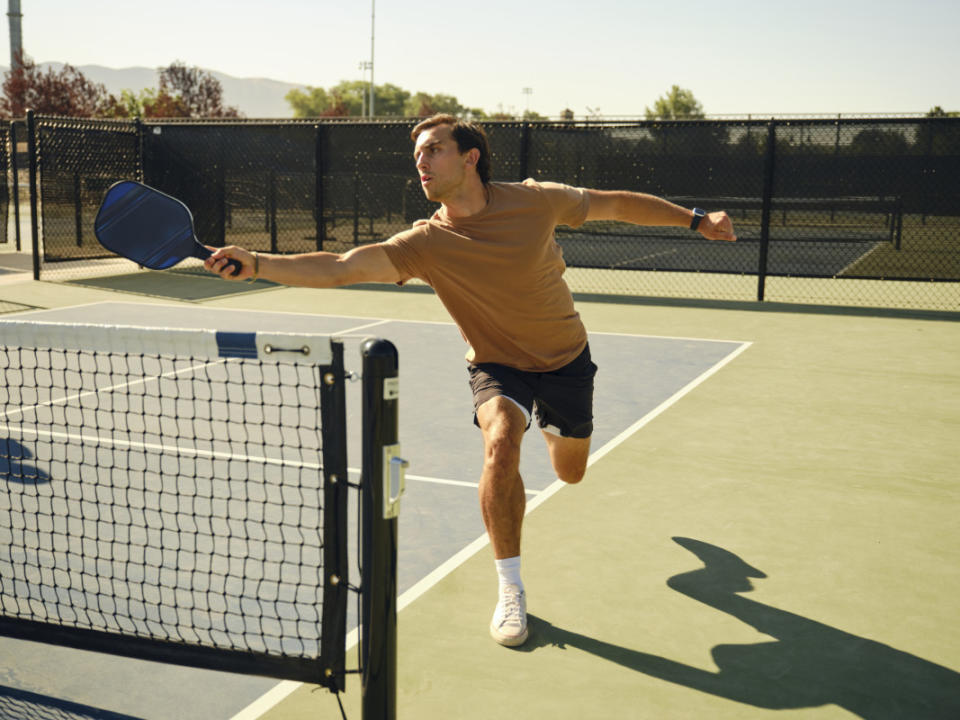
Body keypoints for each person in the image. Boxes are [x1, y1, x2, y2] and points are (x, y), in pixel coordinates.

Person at [205, 114, 736, 647]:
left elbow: (617, 204)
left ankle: (558, 432)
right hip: (496, 364)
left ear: (469, 157)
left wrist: (696, 220)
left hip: (566, 359)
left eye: (433, 149)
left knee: (569, 472)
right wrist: (256, 262)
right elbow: (342, 265)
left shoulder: (536, 201)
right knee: (501, 444)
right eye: (418, 154)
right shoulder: (425, 242)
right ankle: (511, 588)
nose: (421, 161)